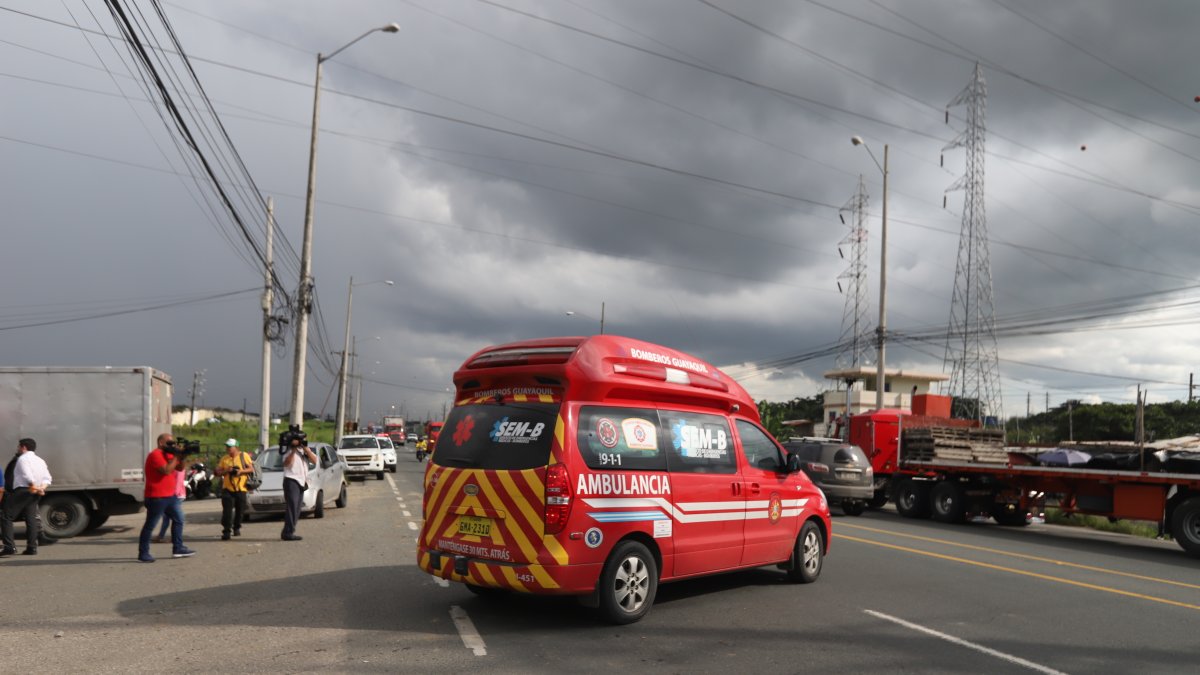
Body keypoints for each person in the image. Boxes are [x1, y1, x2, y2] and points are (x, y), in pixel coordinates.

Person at [137, 433, 196, 562]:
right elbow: (167, 470)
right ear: (161, 443)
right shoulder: (155, 455)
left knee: (179, 520)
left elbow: (180, 468)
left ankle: (178, 548)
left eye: (174, 443)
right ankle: (143, 553)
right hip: (156, 496)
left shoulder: (168, 455)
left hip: (170, 496)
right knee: (150, 525)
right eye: (170, 443)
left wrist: (182, 456)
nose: (173, 445)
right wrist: (176, 455)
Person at [0, 439, 52, 557]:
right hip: (35, 492)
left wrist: (33, 485)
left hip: (23, 490)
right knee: (31, 518)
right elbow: (47, 477)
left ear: (23, 447)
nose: (18, 448)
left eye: (19, 446)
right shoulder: (40, 460)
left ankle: (9, 547)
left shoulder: (22, 459)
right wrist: (41, 488)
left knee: (6, 516)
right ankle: (32, 547)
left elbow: (26, 475)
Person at [281, 431, 317, 542]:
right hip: (291, 480)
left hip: (302, 482)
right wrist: (293, 450)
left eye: (303, 439)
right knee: (292, 507)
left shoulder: (305, 450)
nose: (302, 441)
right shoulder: (288, 450)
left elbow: (315, 461)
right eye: (300, 439)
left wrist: (305, 448)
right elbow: (286, 463)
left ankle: (288, 531)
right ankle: (288, 532)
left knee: (297, 509)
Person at [215, 438, 253, 540]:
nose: (227, 448)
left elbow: (251, 469)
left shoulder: (244, 456)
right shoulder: (224, 459)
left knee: (240, 510)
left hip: (241, 488)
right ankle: (226, 531)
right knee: (227, 511)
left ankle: (237, 527)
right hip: (228, 489)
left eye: (230, 446)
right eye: (227, 446)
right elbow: (218, 472)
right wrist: (226, 471)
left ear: (236, 447)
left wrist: (240, 472)